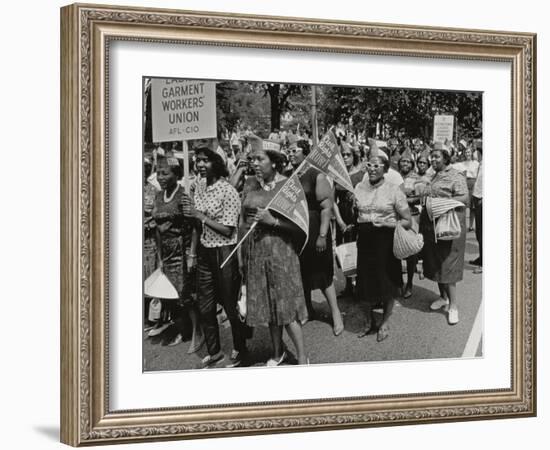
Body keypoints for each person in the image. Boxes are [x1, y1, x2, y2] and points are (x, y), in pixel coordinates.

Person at [239, 141, 309, 365]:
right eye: (253, 159)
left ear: (275, 161)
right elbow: (243, 221)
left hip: (282, 255)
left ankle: (302, 358)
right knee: (270, 307)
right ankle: (277, 352)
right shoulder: (250, 185)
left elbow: (301, 227)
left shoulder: (289, 186)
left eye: (260, 159)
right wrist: (242, 254)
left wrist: (274, 221)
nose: (255, 164)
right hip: (256, 252)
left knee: (286, 309)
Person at [185, 147, 250, 368]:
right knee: (205, 306)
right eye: (198, 161)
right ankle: (214, 351)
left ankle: (241, 349)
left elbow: (229, 230)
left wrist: (201, 217)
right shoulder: (198, 187)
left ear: (217, 163)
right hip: (205, 252)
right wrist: (192, 252)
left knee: (231, 306)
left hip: (225, 252)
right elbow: (196, 224)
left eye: (205, 161)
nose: (200, 165)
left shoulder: (228, 191)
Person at [354, 149, 412, 342]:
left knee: (387, 282)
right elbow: (356, 211)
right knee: (365, 281)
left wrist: (387, 224)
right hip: (365, 238)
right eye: (369, 165)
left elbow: (407, 221)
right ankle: (369, 320)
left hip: (386, 240)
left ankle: (385, 321)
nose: (371, 169)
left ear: (385, 169)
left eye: (376, 165)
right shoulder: (359, 188)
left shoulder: (394, 190)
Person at [288, 140, 345, 336]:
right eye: (288, 150)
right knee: (302, 271)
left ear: (306, 153)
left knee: (322, 274)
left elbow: (326, 207)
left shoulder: (316, 175)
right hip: (298, 230)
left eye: (294, 150)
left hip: (315, 228)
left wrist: (322, 235)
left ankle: (336, 314)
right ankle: (308, 309)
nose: (290, 153)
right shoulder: (290, 176)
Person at [151, 156, 204, 351]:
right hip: (165, 252)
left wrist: (191, 255)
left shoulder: (183, 196)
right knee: (169, 295)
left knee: (186, 295)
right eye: (158, 173)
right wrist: (159, 258)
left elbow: (195, 227)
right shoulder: (158, 196)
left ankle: (198, 333)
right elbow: (157, 228)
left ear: (176, 175)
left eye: (165, 173)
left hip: (181, 251)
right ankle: (183, 330)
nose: (161, 177)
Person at [419, 144, 469, 325]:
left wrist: (443, 202)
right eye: (431, 156)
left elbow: (465, 199)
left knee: (448, 266)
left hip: (448, 226)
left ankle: (454, 306)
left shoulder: (456, 176)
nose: (432, 160)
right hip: (432, 227)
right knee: (435, 263)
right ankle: (443, 298)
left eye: (436, 156)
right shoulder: (434, 175)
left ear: (446, 158)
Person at [398, 148, 421, 299]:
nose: (405, 163)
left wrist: (404, 199)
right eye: (403, 161)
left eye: (408, 161)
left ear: (412, 164)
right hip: (396, 217)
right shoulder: (393, 176)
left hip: (412, 217)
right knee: (396, 249)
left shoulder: (417, 178)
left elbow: (420, 197)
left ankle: (410, 283)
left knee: (411, 252)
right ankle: (398, 282)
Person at [470, 148, 483, 274]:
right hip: (478, 201)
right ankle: (481, 258)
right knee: (479, 232)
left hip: (482, 201)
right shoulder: (481, 165)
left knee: (483, 233)